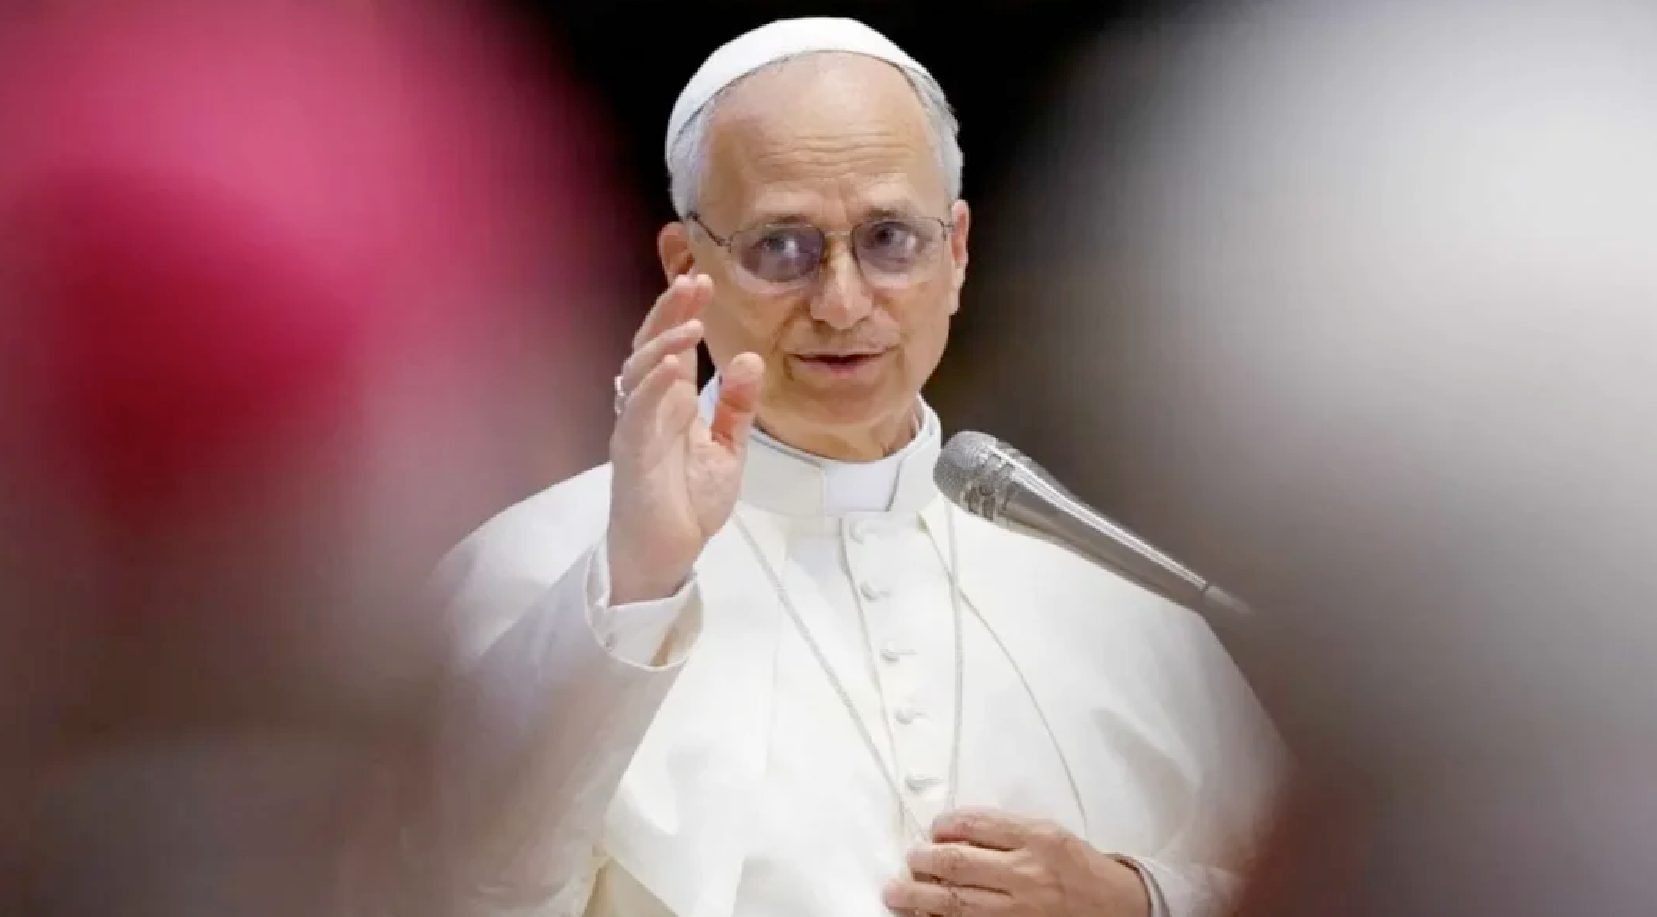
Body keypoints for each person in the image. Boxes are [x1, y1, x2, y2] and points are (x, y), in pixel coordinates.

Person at [430, 17, 1283, 917]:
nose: (840, 303)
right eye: (780, 247)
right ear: (686, 267)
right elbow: (444, 889)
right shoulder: (533, 566)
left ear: (956, 253)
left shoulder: (1113, 586)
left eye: (889, 239)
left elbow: (1338, 880)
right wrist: (637, 584)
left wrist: (1139, 899)